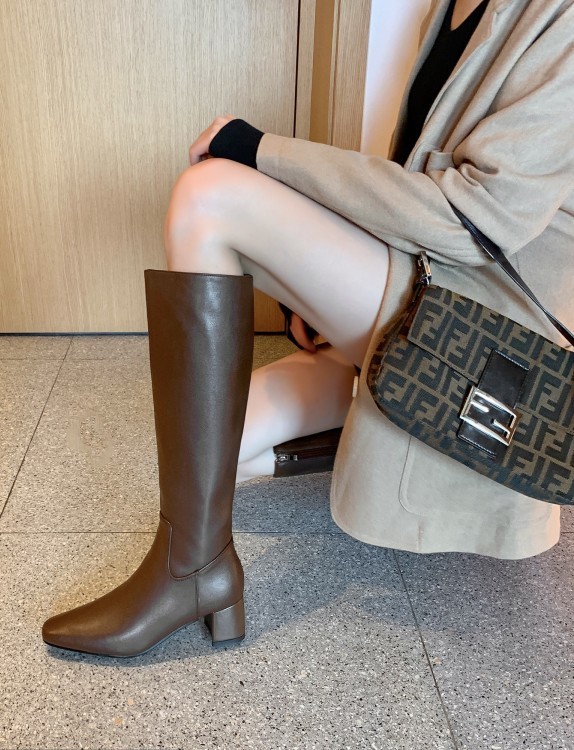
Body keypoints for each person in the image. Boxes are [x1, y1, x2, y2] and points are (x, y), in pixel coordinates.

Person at [41, 0, 574, 657]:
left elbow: (476, 218)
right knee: (211, 451)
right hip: (427, 287)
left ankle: (191, 574)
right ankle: (216, 550)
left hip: (485, 336)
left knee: (208, 195)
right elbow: (410, 182)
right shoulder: (448, 7)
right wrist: (320, 295)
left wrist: (264, 151)